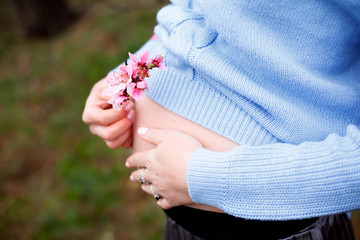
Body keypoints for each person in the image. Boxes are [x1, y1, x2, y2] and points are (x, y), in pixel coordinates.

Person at [82, 0, 360, 239]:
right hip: (179, 216)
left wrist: (205, 176)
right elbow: (193, 11)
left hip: (281, 228)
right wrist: (124, 78)